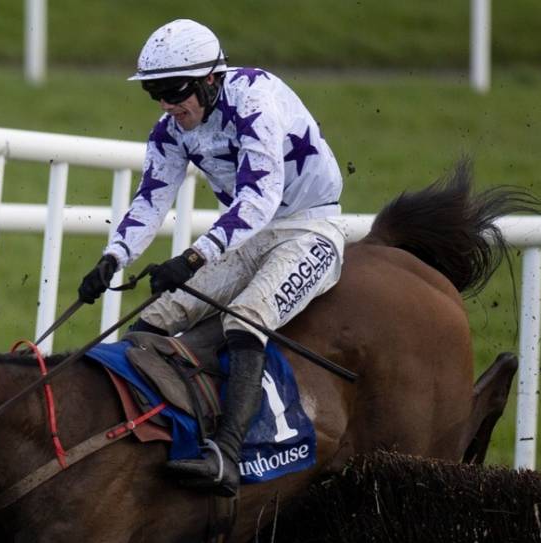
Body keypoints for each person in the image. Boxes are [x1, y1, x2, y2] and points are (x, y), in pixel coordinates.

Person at [74, 19, 346, 497]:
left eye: (174, 91)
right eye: (154, 92)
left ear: (210, 80)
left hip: (310, 226)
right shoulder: (170, 129)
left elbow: (261, 196)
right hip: (248, 238)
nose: (165, 104)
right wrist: (111, 258)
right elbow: (151, 199)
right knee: (151, 320)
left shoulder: (255, 96)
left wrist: (195, 258)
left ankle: (227, 454)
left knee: (245, 317)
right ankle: (161, 437)